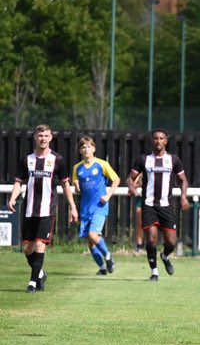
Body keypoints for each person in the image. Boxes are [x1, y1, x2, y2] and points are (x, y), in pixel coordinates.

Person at [7, 124, 78, 292]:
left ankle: (32, 282)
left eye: (46, 135)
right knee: (27, 248)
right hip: (29, 209)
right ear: (35, 137)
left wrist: (72, 207)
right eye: (40, 136)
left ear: (51, 137)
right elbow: (19, 181)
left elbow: (66, 185)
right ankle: (40, 274)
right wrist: (13, 197)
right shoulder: (27, 159)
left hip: (48, 209)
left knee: (40, 244)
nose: (43, 138)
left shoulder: (57, 160)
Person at [126, 128, 190, 281]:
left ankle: (165, 256)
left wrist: (183, 196)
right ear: (151, 141)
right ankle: (154, 272)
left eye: (161, 138)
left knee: (171, 241)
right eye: (155, 138)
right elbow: (130, 177)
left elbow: (183, 180)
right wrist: (131, 186)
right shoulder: (143, 159)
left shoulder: (173, 160)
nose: (158, 141)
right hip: (148, 204)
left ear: (166, 141)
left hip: (166, 205)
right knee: (152, 239)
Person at [72, 136, 121, 275]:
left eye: (88, 146)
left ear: (93, 148)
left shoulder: (102, 164)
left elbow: (116, 179)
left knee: (93, 234)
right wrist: (76, 186)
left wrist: (108, 195)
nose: (86, 149)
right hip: (85, 208)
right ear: (80, 150)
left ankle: (108, 256)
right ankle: (102, 267)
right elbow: (76, 185)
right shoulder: (77, 168)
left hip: (99, 206)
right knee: (90, 242)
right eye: (83, 147)